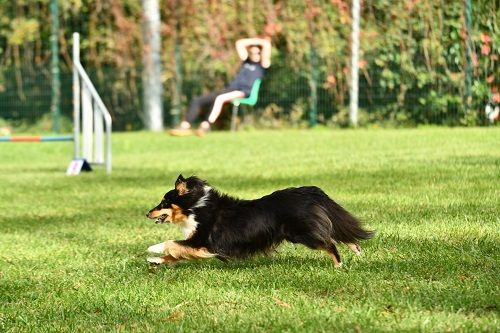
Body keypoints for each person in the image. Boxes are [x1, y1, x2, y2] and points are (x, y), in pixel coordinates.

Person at [170, 37, 271, 136]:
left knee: (219, 98)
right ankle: (185, 126)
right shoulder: (246, 62)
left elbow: (266, 44)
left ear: (261, 53)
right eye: (252, 53)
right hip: (230, 89)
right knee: (198, 100)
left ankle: (205, 126)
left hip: (243, 92)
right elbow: (239, 43)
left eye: (257, 53)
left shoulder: (262, 65)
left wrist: (259, 42)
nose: (255, 55)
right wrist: (254, 42)